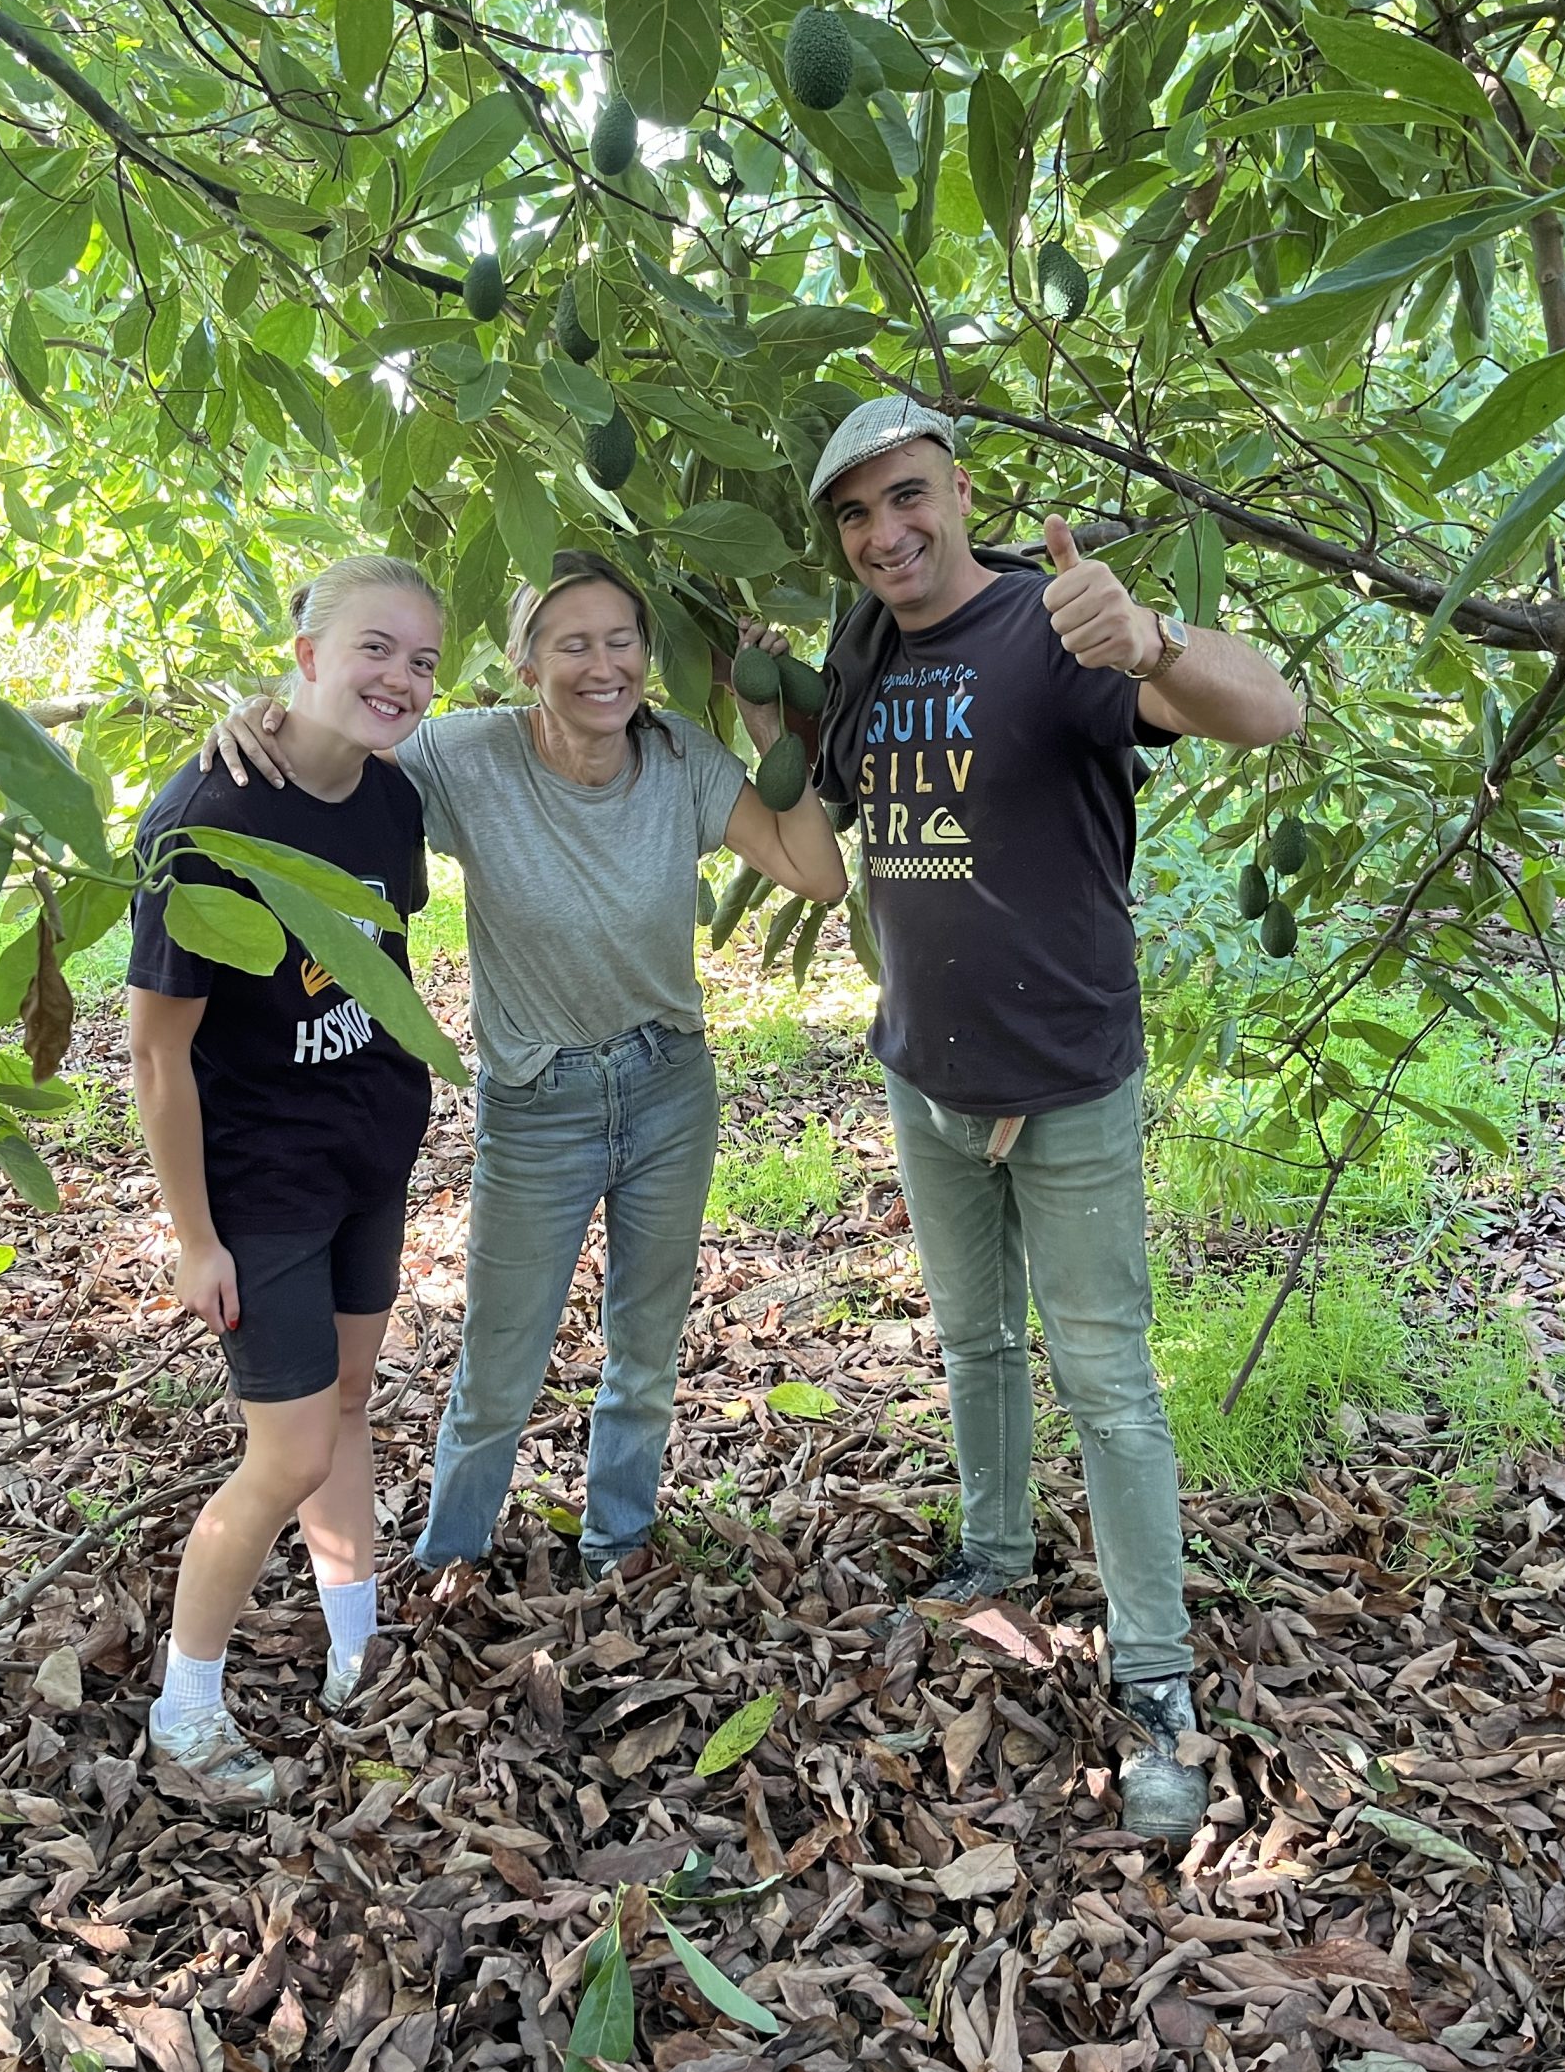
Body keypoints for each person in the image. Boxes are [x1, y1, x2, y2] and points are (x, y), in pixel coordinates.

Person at [808, 396, 1303, 1841]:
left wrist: (1151, 639)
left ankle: (1156, 1682)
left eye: (906, 497)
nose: (886, 532)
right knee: (972, 1341)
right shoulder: (868, 658)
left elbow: (1267, 711)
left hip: (1069, 1077)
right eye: (854, 514)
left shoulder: (1053, 627)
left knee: (1110, 1383)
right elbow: (832, 817)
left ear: (960, 492)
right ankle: (994, 1549)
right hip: (925, 1072)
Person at [205, 549, 847, 1588]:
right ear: (522, 662)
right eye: (573, 643)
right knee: (501, 1359)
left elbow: (816, 872)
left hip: (667, 1086)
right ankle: (447, 1555)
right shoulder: (468, 759)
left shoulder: (681, 757)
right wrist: (258, 713)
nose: (605, 665)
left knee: (645, 1344)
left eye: (623, 639)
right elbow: (333, 743)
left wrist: (771, 735)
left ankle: (617, 1546)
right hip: (538, 1104)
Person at [128, 554, 446, 1804]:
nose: (401, 677)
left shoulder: (389, 802)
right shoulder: (205, 817)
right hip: (260, 1179)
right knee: (289, 1451)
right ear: (305, 651)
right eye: (376, 647)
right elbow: (157, 1054)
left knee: (351, 1402)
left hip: (370, 1147)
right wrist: (192, 1236)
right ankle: (185, 1708)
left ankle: (356, 1645)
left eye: (422, 659)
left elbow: (380, 957)